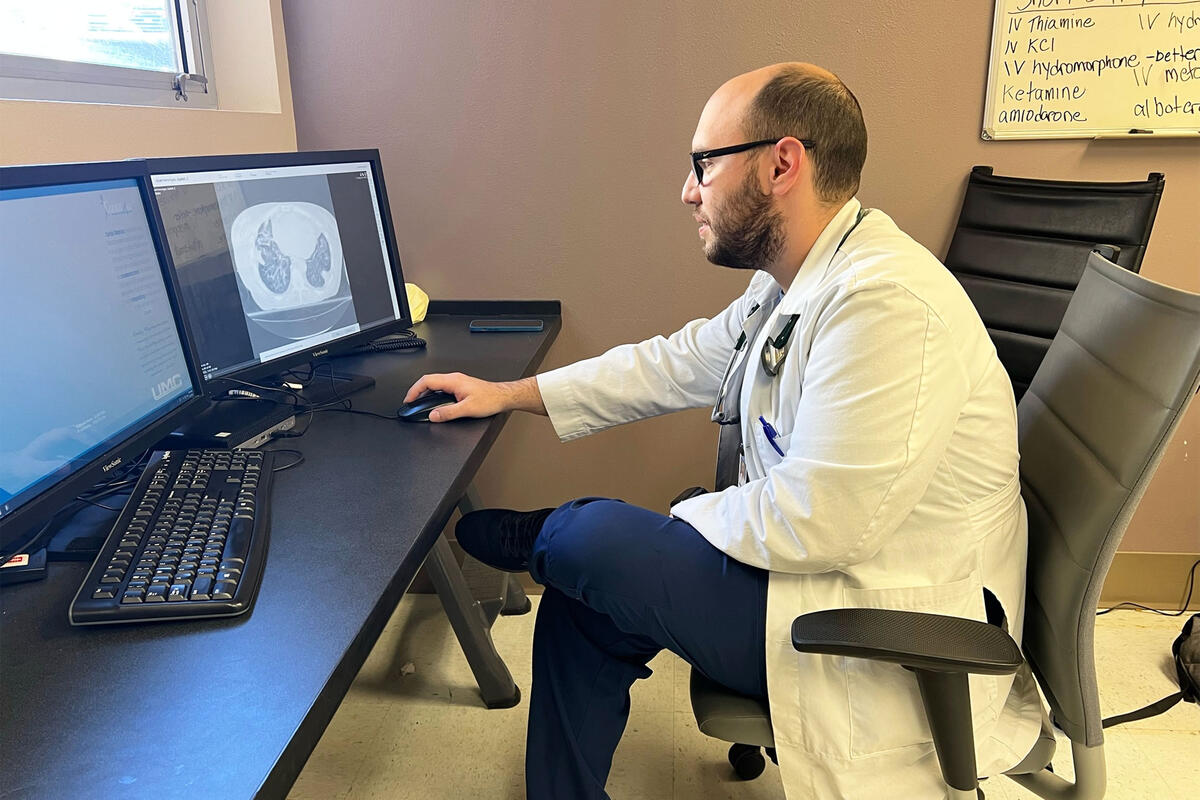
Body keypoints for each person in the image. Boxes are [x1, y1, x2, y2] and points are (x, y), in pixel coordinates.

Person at [405, 63, 1041, 799]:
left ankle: (553, 534)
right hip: (808, 571)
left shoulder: (886, 305)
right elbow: (673, 364)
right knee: (585, 589)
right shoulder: (797, 278)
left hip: (866, 619)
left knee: (594, 543)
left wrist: (680, 523)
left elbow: (820, 523)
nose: (688, 191)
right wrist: (508, 393)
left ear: (781, 163)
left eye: (703, 165)